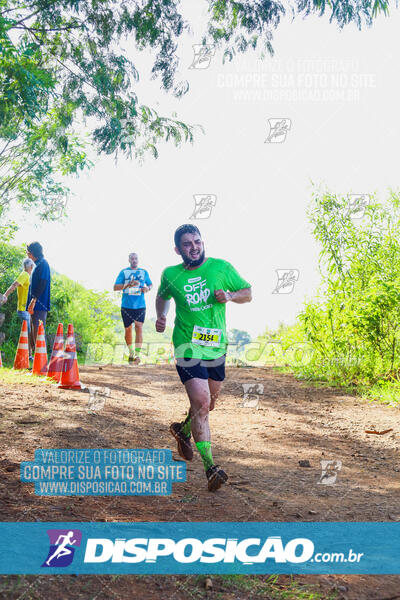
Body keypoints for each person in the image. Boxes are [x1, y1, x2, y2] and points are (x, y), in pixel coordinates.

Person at [155, 224, 252, 491]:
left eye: (197, 241)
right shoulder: (171, 274)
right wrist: (161, 316)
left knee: (208, 405)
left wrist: (230, 296)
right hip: (187, 345)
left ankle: (182, 430)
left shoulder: (221, 268)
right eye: (187, 244)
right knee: (201, 401)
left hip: (215, 347)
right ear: (178, 249)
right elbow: (161, 297)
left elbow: (248, 292)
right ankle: (211, 467)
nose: (194, 247)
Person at [114, 252, 152, 364]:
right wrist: (128, 285)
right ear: (129, 260)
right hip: (126, 305)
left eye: (136, 258)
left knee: (139, 327)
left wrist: (147, 289)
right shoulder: (124, 272)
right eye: (132, 259)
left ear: (138, 260)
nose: (134, 260)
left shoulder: (144, 272)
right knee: (128, 329)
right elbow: (115, 287)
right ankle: (131, 352)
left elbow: (150, 284)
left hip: (140, 305)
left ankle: (137, 355)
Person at [26, 242, 51, 357]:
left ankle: (41, 363)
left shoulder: (43, 264)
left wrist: (33, 301)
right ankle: (36, 362)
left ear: (32, 252)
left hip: (39, 305)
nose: (27, 253)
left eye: (28, 251)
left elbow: (43, 283)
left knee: (38, 333)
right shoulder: (37, 264)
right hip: (34, 304)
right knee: (33, 332)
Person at [1, 257, 34, 338]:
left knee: (28, 332)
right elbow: (14, 285)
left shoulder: (26, 275)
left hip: (26, 310)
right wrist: (5, 295)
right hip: (23, 310)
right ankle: (27, 350)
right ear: (31, 266)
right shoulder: (25, 275)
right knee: (28, 333)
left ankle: (29, 350)